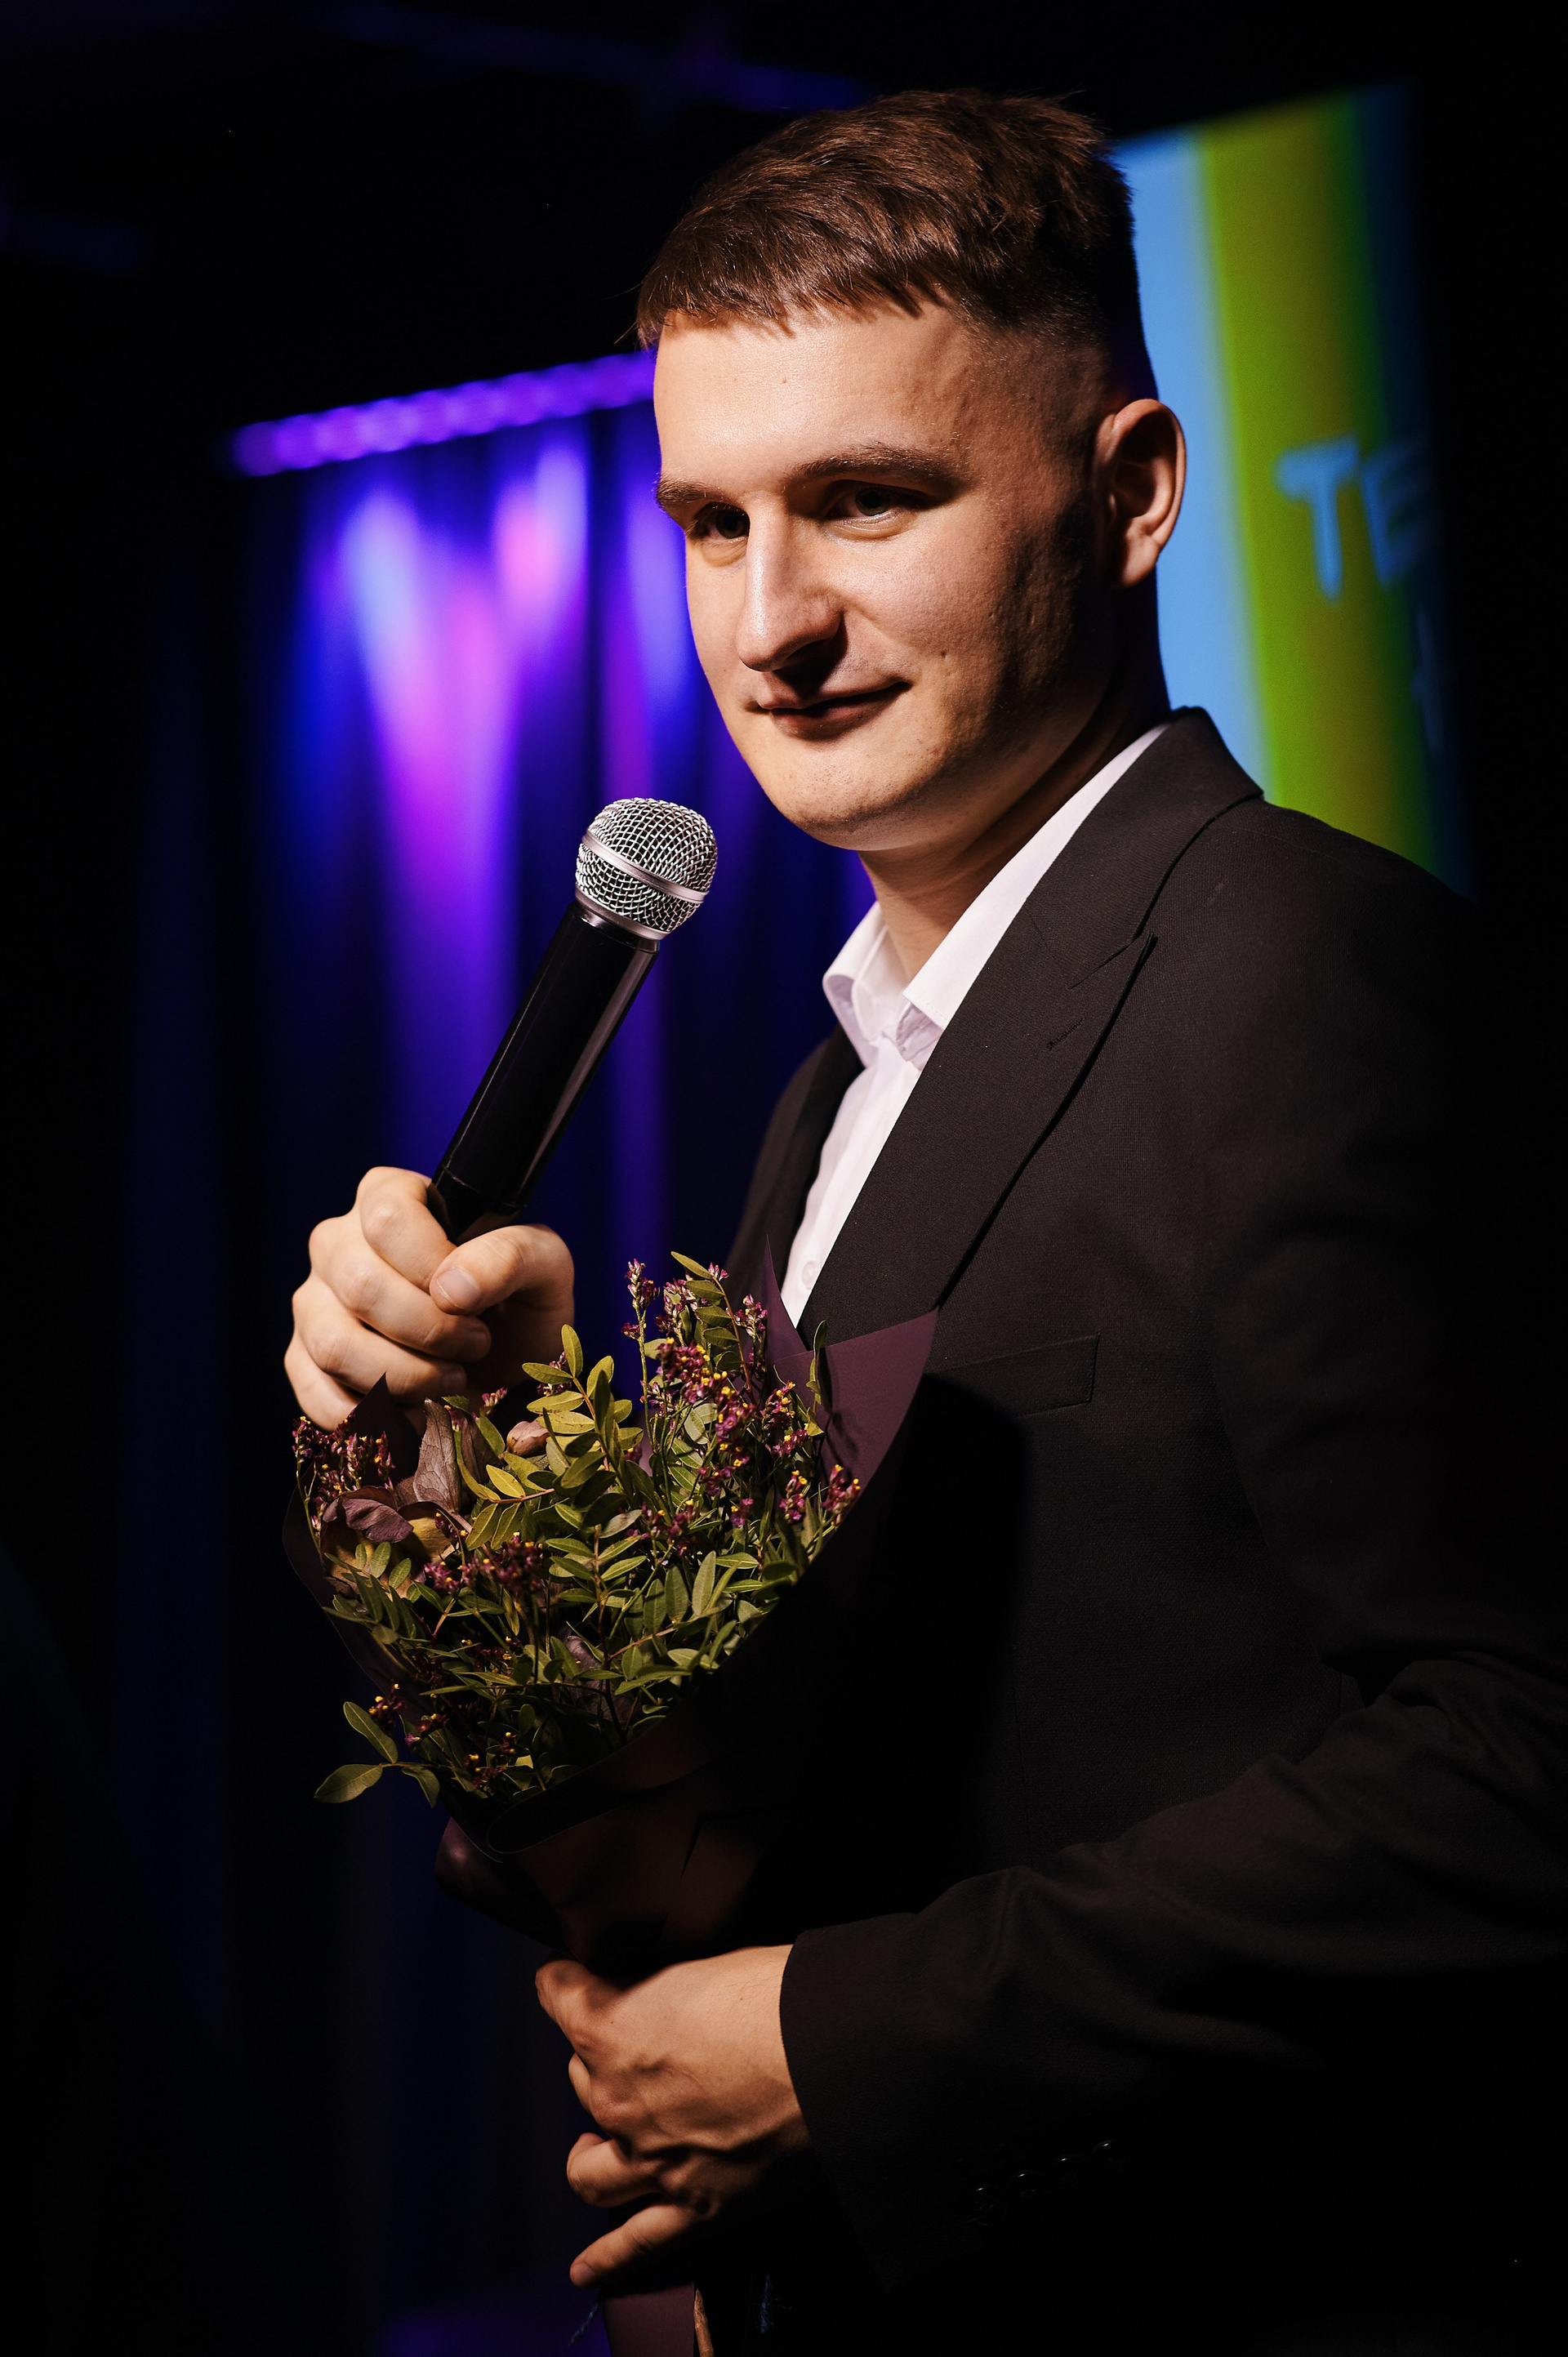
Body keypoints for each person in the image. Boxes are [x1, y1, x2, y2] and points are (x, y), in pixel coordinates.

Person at [287, 91, 1564, 2356]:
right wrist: (484, 1469)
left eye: (867, 501)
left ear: (1135, 493)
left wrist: (838, 2046)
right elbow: (808, 1774)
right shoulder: (839, 1087)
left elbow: (1519, 1758)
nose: (773, 623)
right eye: (713, 523)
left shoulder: (1309, 978)